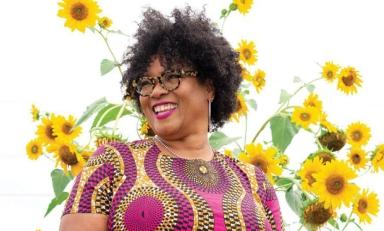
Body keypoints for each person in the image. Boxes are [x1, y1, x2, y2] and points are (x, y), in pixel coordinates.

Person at [60, 6, 284, 231]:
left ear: (209, 87)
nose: (156, 91)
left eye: (171, 77)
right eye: (145, 83)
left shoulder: (255, 181)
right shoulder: (112, 164)